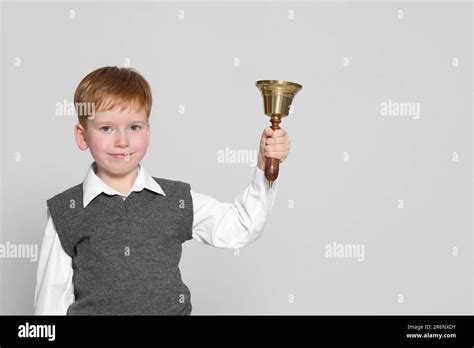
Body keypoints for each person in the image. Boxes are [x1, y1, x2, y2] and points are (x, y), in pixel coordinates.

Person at [34, 66, 291, 315]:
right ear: (82, 136)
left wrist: (265, 166)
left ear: (148, 131)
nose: (122, 141)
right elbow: (51, 303)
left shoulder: (175, 200)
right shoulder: (66, 211)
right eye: (106, 128)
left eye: (134, 127)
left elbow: (242, 226)